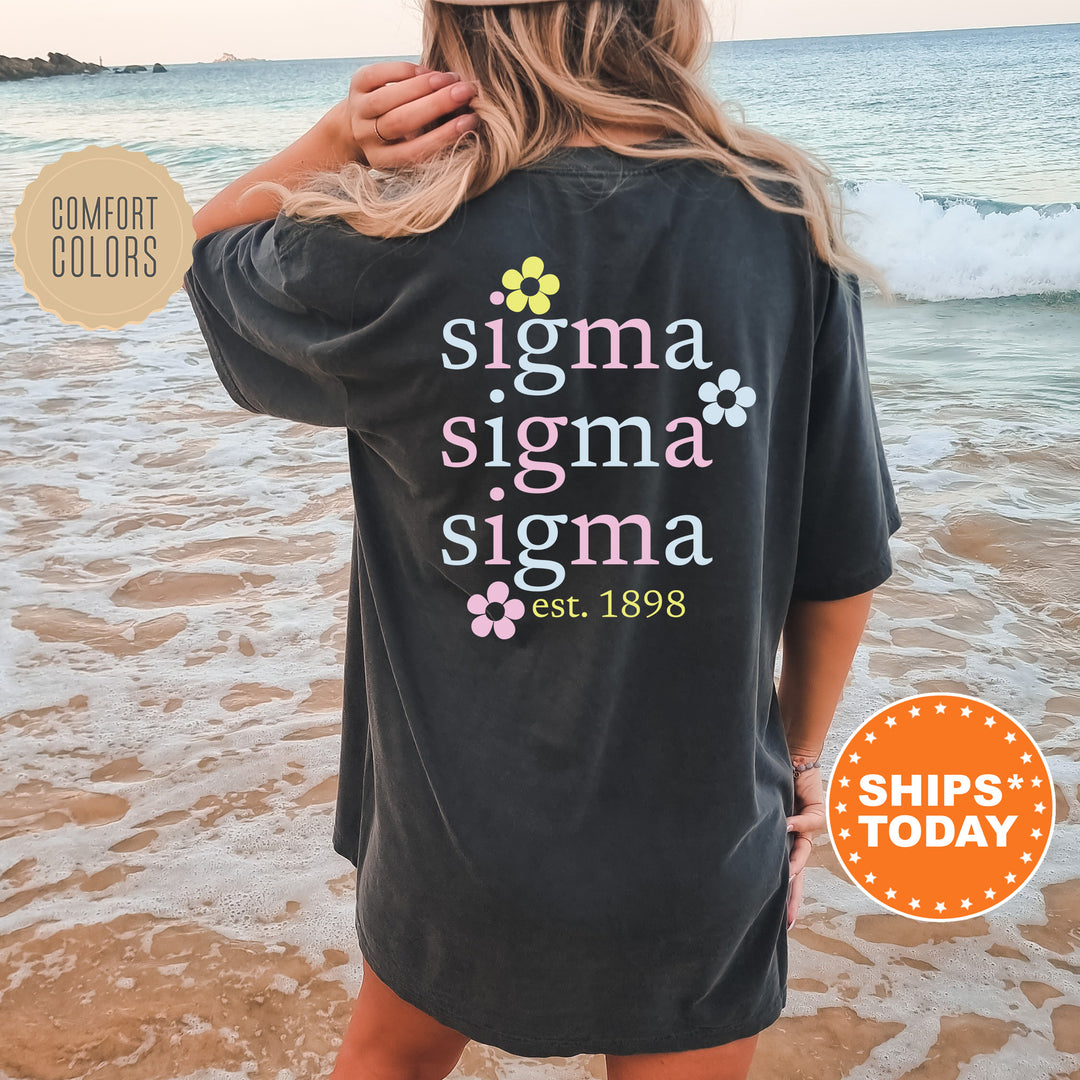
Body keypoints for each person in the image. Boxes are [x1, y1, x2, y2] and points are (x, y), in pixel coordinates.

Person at [182, 0, 903, 1077]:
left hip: (454, 835)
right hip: (698, 832)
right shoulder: (779, 219)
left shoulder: (393, 237)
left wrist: (338, 142)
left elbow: (203, 253)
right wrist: (801, 764)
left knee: (387, 1057)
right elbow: (841, 559)